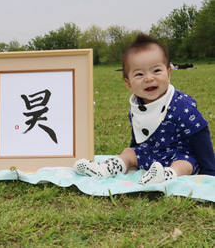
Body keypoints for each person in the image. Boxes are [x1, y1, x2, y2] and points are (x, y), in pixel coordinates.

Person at [74, 33, 215, 185]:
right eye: (139, 74)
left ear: (168, 74)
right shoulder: (137, 105)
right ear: (129, 84)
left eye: (156, 71)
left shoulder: (181, 106)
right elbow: (139, 132)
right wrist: (134, 155)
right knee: (129, 152)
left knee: (185, 164)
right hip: (149, 154)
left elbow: (200, 136)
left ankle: (166, 175)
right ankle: (107, 169)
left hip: (178, 154)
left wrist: (210, 170)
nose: (149, 78)